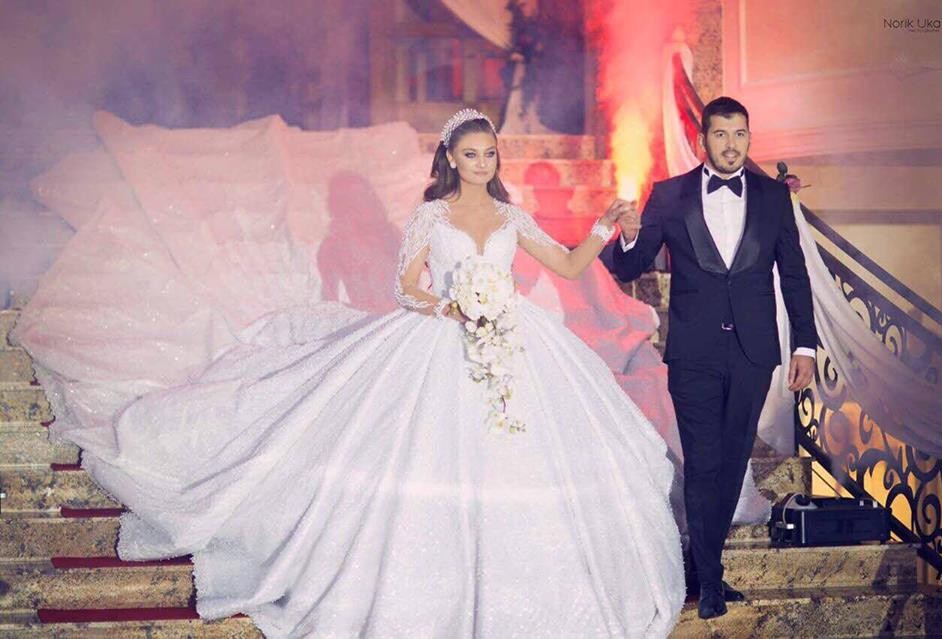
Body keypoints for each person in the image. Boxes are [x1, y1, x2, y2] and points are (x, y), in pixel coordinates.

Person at [75, 108, 685, 637]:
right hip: (443, 335)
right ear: (451, 158)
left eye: (489, 153)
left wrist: (605, 225)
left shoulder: (511, 216)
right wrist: (449, 307)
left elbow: (570, 266)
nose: (481, 163)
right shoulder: (431, 216)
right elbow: (405, 286)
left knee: (526, 451)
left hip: (514, 337)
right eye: (471, 154)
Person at [613, 96, 817, 619]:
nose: (731, 145)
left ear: (749, 138)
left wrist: (804, 345)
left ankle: (701, 567)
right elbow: (630, 266)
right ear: (702, 139)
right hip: (693, 351)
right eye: (721, 135)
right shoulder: (669, 194)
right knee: (703, 461)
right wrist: (629, 236)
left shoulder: (773, 197)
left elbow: (794, 274)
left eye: (740, 134)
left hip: (753, 352)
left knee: (731, 461)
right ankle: (709, 580)